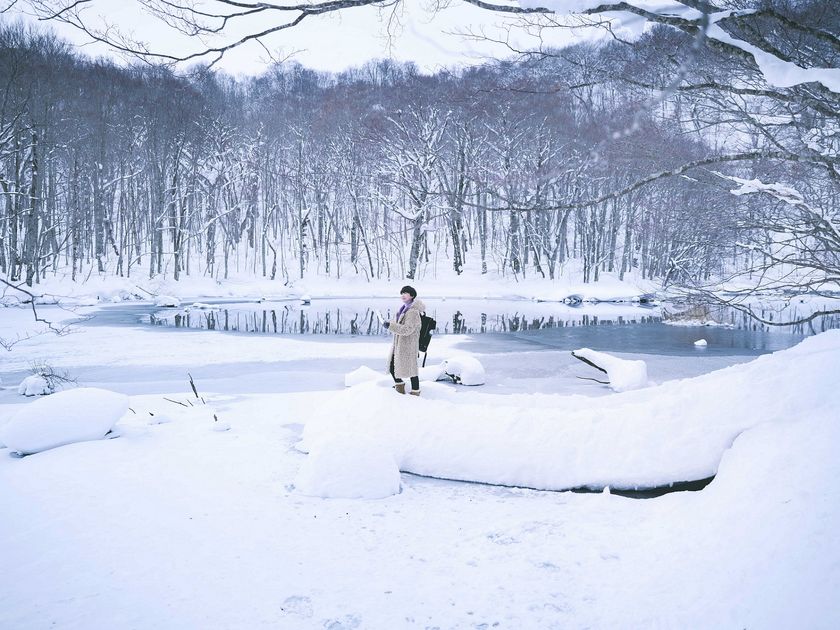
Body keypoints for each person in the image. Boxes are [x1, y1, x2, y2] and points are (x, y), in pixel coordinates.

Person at [383, 285, 424, 396]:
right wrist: (389, 324)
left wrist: (391, 326)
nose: (403, 295)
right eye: (402, 293)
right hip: (401, 343)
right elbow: (400, 324)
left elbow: (407, 329)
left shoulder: (412, 312)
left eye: (405, 293)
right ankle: (400, 386)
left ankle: (414, 392)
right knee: (397, 366)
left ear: (412, 295)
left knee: (411, 369)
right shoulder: (404, 309)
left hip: (409, 344)